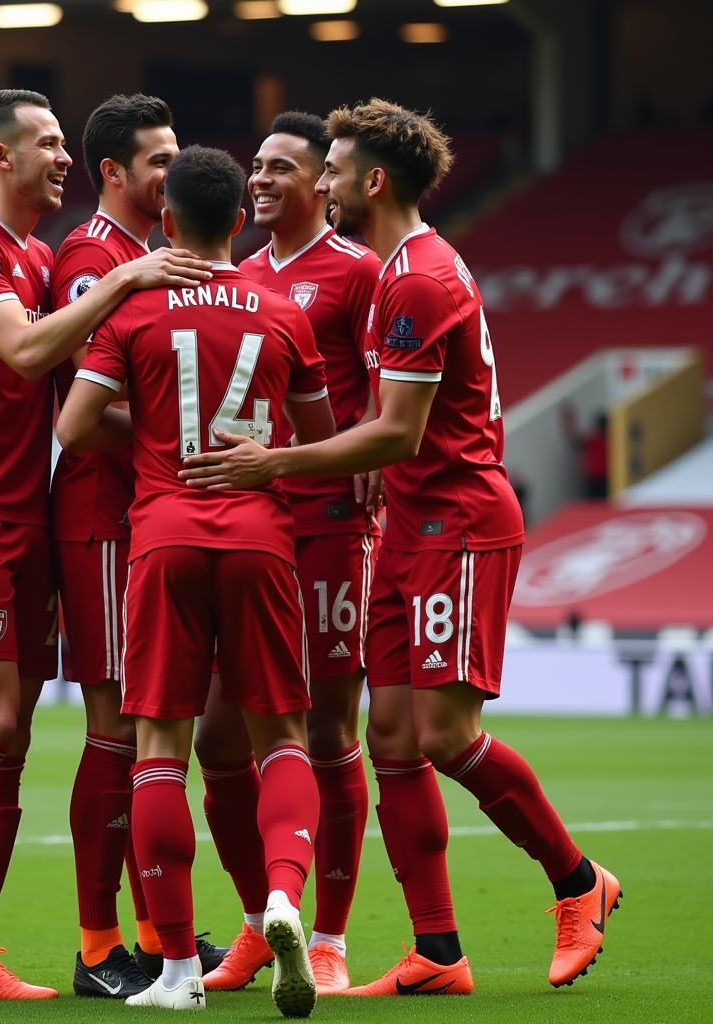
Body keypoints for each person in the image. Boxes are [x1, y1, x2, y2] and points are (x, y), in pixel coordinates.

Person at [179, 98, 621, 996]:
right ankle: (438, 951)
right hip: (411, 528)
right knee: (391, 741)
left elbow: (397, 434)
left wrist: (278, 464)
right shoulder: (397, 272)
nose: (325, 184)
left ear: (371, 181)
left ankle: (580, 883)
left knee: (446, 735)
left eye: (333, 170)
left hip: (456, 521)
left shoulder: (418, 279)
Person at [0, 88, 212, 1006]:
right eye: (48, 142)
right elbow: (27, 356)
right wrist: (123, 281)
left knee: (15, 739)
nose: (62, 157)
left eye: (66, 142)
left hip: (26, 513)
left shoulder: (32, 254)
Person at [56, 145, 335, 1017]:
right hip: (260, 538)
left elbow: (73, 426)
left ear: (166, 220)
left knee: (159, 755)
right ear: (238, 222)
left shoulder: (133, 310)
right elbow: (316, 439)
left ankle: (176, 972)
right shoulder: (284, 310)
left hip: (164, 536)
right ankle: (283, 897)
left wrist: (157, 440)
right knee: (283, 735)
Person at [195, 111, 382, 996]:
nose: (260, 180)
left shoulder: (359, 273)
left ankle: (335, 935)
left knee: (326, 729)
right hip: (248, 529)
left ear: (324, 186)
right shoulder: (237, 279)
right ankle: (258, 917)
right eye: (255, 169)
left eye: (280, 169)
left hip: (330, 527)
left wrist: (371, 469)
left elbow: (392, 406)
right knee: (217, 735)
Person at [50, 92, 225, 998]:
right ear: (113, 173)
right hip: (107, 518)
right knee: (118, 730)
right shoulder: (94, 258)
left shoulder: (164, 257)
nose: (173, 171)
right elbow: (73, 411)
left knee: (161, 734)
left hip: (159, 515)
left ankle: (168, 935)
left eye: (178, 155)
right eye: (158, 159)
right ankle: (96, 944)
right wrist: (175, 436)